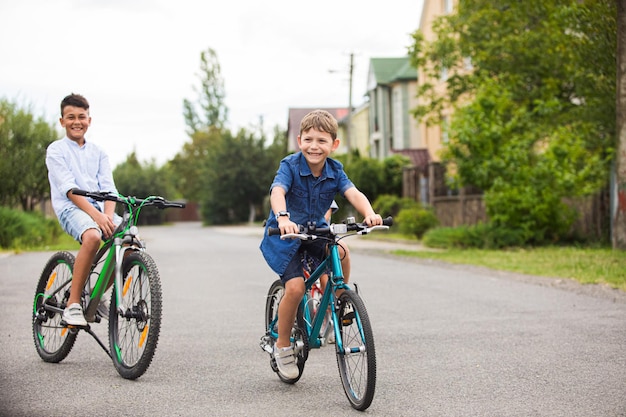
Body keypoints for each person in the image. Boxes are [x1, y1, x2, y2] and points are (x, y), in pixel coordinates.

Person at [260, 109, 382, 379]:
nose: (314, 146)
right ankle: (282, 347)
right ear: (299, 140)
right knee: (295, 287)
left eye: (322, 140)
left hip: (316, 233)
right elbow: (277, 191)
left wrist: (369, 213)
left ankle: (340, 299)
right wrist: (282, 217)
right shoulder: (290, 165)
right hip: (286, 237)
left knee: (341, 250)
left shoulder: (335, 170)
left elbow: (353, 193)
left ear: (334, 145)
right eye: (309, 139)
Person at [46, 93, 120, 327]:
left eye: (81, 117)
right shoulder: (56, 150)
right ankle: (73, 305)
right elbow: (70, 190)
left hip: (100, 210)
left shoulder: (99, 152)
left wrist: (107, 216)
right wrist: (97, 217)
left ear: (89, 119)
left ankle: (96, 294)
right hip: (71, 208)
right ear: (62, 121)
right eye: (70, 117)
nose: (76, 122)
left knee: (129, 240)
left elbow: (110, 189)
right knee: (93, 236)